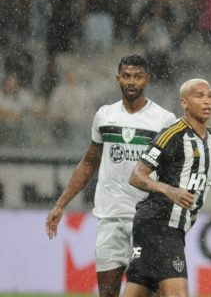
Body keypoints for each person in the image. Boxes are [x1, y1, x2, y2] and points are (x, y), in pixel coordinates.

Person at [122, 78, 211, 297]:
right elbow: (136, 175)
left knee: (138, 292)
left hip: (172, 228)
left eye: (209, 95)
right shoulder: (172, 135)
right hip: (159, 224)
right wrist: (167, 189)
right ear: (184, 102)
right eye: (199, 96)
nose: (207, 101)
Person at [45, 55, 177, 297]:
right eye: (126, 76)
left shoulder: (164, 120)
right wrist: (60, 204)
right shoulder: (105, 116)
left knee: (151, 293)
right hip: (110, 217)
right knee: (107, 293)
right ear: (118, 78)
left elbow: (173, 171)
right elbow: (88, 163)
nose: (131, 82)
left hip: (146, 221)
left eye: (137, 76)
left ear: (146, 79)